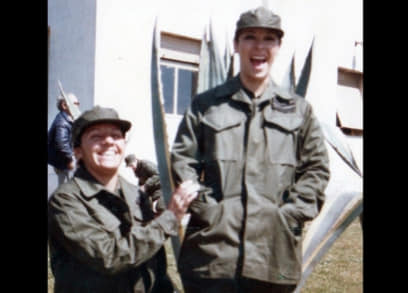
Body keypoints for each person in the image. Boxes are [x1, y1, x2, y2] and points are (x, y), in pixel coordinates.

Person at [170, 6, 330, 293]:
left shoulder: (300, 111)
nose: (259, 47)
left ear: (279, 46)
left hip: (273, 255)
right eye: (250, 37)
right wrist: (210, 212)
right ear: (236, 45)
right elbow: (183, 161)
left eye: (269, 39)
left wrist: (289, 214)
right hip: (212, 255)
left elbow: (316, 169)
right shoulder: (206, 105)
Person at [48, 106, 199, 293]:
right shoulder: (65, 201)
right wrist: (169, 218)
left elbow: (156, 264)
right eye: (96, 136)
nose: (109, 142)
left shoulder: (136, 194)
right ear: (78, 151)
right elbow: (108, 257)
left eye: (116, 135)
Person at [48, 93, 80, 185]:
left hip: (65, 161)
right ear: (64, 105)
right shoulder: (62, 122)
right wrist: (71, 158)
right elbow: (62, 143)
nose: (77, 106)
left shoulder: (69, 119)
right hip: (63, 162)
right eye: (75, 103)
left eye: (78, 103)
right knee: (65, 189)